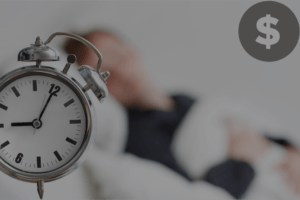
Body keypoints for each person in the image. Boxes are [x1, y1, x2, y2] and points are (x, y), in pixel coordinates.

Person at [64, 29, 300, 199]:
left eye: (116, 55)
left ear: (133, 52)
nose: (121, 72)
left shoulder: (184, 101)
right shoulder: (140, 137)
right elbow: (200, 193)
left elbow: (248, 127)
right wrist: (243, 160)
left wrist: (290, 152)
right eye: (104, 74)